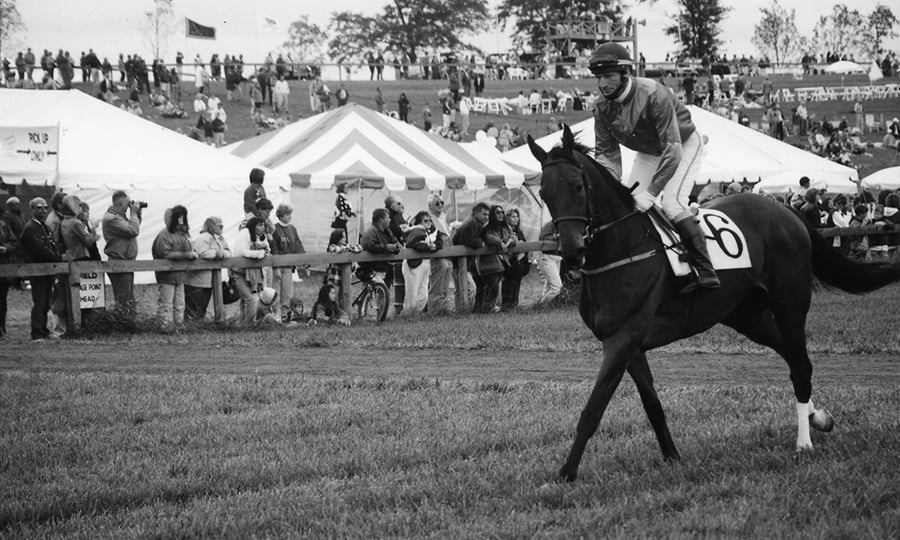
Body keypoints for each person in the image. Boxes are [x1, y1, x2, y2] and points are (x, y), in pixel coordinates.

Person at [589, 42, 719, 292]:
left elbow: (672, 149)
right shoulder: (601, 108)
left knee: (671, 203)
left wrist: (652, 192)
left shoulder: (653, 93)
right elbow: (607, 155)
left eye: (608, 76)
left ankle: (705, 270)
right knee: (629, 204)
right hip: (649, 152)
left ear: (625, 74)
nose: (602, 84)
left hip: (683, 145)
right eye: (598, 78)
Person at [20, 198, 62, 340]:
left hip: (47, 270)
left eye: (45, 207)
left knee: (46, 303)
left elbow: (52, 246)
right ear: (32, 209)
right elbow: (40, 250)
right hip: (37, 271)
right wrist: (58, 259)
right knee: (39, 303)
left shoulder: (43, 226)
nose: (43, 210)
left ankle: (43, 330)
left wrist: (57, 256)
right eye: (39, 208)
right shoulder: (30, 228)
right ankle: (36, 332)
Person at [152, 205, 197, 329]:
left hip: (181, 275)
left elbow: (190, 247)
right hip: (167, 275)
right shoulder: (164, 235)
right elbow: (165, 253)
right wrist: (187, 255)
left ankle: (179, 325)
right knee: (165, 303)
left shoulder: (184, 234)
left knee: (180, 303)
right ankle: (163, 326)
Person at [102, 190, 142, 313]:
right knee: (124, 299)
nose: (129, 206)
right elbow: (133, 231)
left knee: (128, 298)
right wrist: (134, 213)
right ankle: (124, 325)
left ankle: (127, 324)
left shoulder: (119, 216)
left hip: (126, 262)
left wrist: (137, 214)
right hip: (119, 263)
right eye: (127, 204)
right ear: (120, 204)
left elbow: (134, 227)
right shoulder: (112, 219)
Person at [185, 216, 230, 321]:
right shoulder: (204, 237)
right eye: (219, 225)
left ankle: (196, 326)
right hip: (197, 280)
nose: (222, 227)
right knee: (194, 308)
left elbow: (228, 252)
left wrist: (220, 253)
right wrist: (217, 253)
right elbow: (203, 253)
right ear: (211, 225)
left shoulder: (218, 238)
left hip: (207, 281)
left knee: (201, 308)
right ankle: (191, 327)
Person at [473, 205, 515, 313]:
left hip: (502, 262)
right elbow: (491, 240)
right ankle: (486, 308)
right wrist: (502, 244)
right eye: (498, 212)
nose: (501, 214)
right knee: (492, 287)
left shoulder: (506, 228)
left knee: (493, 286)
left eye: (502, 212)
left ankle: (485, 308)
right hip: (487, 262)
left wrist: (508, 242)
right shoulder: (487, 228)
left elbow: (514, 238)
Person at [451, 202, 489, 313]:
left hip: (461, 263)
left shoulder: (474, 222)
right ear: (476, 213)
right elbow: (467, 240)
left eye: (487, 215)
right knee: (471, 288)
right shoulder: (472, 223)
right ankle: (465, 310)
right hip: (459, 263)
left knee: (460, 289)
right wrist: (481, 242)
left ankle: (459, 310)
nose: (486, 217)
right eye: (484, 214)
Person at [232, 216, 270, 326]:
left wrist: (263, 250)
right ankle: (249, 324)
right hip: (239, 272)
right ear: (253, 226)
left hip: (254, 273)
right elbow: (242, 252)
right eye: (259, 225)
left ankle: (243, 325)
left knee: (245, 301)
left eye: (263, 225)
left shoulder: (262, 237)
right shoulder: (245, 234)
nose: (262, 227)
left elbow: (268, 251)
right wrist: (259, 253)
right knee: (251, 299)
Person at [271, 203, 305, 323]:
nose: (290, 217)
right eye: (287, 214)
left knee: (287, 294)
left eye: (290, 214)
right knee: (276, 293)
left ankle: (285, 315)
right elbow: (274, 248)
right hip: (278, 267)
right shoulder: (274, 229)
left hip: (289, 267)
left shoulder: (292, 229)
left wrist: (304, 261)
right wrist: (276, 267)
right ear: (280, 215)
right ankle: (276, 315)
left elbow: (298, 245)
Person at [401, 210, 440, 316]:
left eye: (430, 221)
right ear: (419, 222)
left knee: (423, 295)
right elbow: (411, 244)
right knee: (412, 295)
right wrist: (427, 246)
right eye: (425, 220)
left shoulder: (427, 232)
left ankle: (415, 315)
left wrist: (431, 245)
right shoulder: (416, 231)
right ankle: (407, 315)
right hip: (414, 265)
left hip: (424, 264)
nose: (428, 223)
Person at [425, 194, 453, 314]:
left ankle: (443, 307)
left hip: (447, 253)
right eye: (437, 203)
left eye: (442, 202)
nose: (441, 205)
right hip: (436, 255)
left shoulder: (443, 217)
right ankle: (434, 309)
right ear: (430, 205)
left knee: (445, 283)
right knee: (437, 284)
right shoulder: (429, 219)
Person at [360, 208, 401, 282]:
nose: (390, 220)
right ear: (381, 220)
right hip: (373, 270)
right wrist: (386, 247)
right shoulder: (371, 231)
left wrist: (396, 247)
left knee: (385, 292)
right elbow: (371, 246)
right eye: (388, 218)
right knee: (379, 291)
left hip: (385, 268)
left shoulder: (387, 231)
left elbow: (395, 241)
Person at [501, 208, 529, 310]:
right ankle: (506, 305)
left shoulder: (519, 231)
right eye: (513, 216)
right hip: (509, 262)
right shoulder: (504, 230)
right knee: (509, 283)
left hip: (520, 262)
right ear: (507, 218)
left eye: (517, 217)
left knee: (517, 283)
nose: (516, 219)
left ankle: (514, 304)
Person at [0, 211, 19, 338]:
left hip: (4, 268)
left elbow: (14, 242)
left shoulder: (3, 225)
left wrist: (6, 248)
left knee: (2, 301)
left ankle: (2, 328)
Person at [538, 221, 563, 304]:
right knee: (557, 287)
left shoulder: (563, 225)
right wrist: (557, 237)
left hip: (557, 257)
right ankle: (542, 304)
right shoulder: (550, 225)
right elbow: (542, 238)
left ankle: (541, 304)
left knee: (549, 285)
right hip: (548, 256)